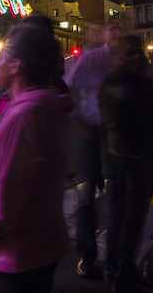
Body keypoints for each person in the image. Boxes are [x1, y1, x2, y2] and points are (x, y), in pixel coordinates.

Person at [0, 23, 70, 293]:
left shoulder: (24, 117)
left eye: (2, 57)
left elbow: (9, 192)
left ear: (16, 65)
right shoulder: (45, 106)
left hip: (16, 254)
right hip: (39, 245)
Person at [98, 36, 153, 292]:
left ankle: (114, 268)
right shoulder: (136, 83)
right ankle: (124, 274)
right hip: (137, 158)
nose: (140, 58)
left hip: (116, 156)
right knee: (132, 219)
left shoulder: (110, 83)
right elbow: (149, 116)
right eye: (134, 53)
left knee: (117, 216)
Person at [65, 23, 120, 277]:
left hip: (107, 135)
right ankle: (91, 257)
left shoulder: (122, 59)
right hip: (95, 133)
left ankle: (103, 258)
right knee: (90, 196)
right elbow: (71, 86)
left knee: (104, 197)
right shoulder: (94, 58)